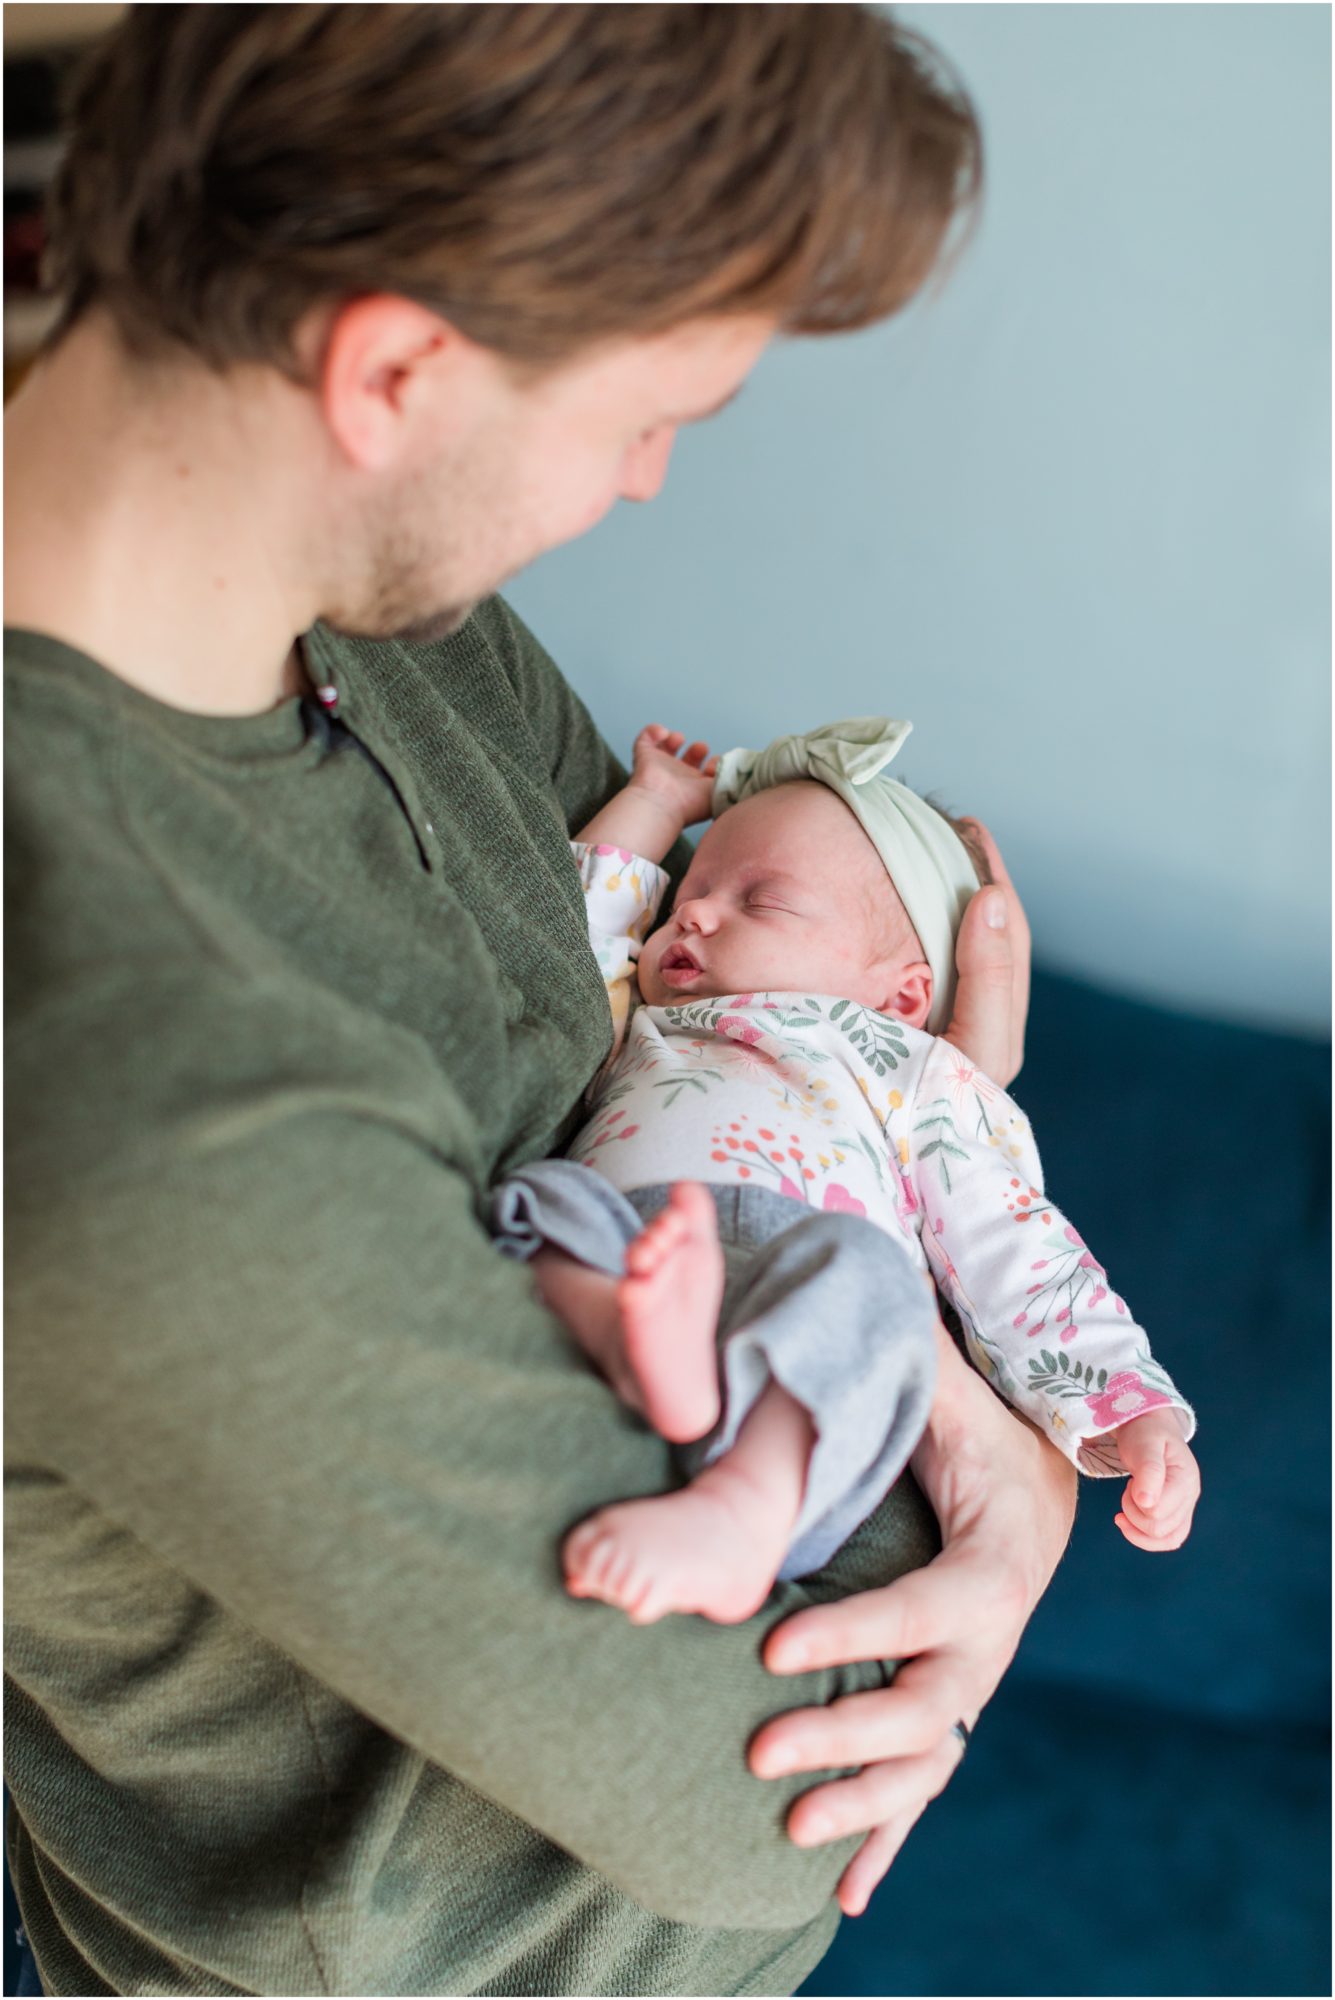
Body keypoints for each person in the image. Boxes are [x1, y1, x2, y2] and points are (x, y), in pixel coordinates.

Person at [5, 7, 1078, 1994]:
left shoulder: (386, 630)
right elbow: (749, 1798)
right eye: (647, 412)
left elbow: (678, 1058)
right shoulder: (138, 1089)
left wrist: (954, 1379)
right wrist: (962, 1383)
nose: (651, 483)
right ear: (394, 370)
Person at [489, 719, 1199, 1628]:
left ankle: (741, 1510)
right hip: (644, 1239)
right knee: (541, 1201)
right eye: (690, 891)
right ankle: (637, 1344)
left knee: (875, 1292)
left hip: (807, 1266)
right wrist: (658, 804)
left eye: (764, 903)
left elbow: (1013, 1244)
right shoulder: (639, 1020)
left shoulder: (911, 1071)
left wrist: (1133, 1414)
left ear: (900, 995)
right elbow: (573, 932)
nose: (694, 913)